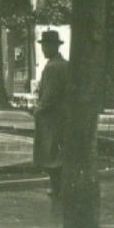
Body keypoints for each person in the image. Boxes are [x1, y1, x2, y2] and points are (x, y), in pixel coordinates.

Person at [34, 29, 70, 197]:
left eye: (47, 45)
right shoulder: (63, 64)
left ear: (55, 46)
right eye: (43, 45)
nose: (44, 49)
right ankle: (60, 186)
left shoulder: (54, 67)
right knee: (58, 152)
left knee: (52, 154)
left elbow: (50, 94)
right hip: (62, 116)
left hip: (52, 118)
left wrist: (38, 109)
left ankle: (57, 187)